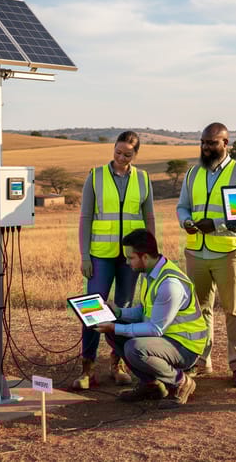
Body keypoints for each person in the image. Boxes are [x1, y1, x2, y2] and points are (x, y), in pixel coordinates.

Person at [176, 122, 236, 387]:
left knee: (234, 310)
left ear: (225, 143)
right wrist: (185, 220)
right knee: (199, 309)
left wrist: (218, 224)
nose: (206, 147)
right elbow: (183, 206)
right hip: (197, 249)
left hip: (228, 251)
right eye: (203, 142)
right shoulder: (192, 173)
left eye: (212, 143)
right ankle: (201, 361)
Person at [74, 131, 156, 390]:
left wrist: (150, 256)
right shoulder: (95, 177)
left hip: (131, 259)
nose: (121, 158)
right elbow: (85, 218)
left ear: (136, 154)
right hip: (100, 256)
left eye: (127, 154)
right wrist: (84, 255)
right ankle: (87, 368)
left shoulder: (143, 178)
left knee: (124, 308)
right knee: (92, 310)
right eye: (117, 153)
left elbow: (149, 217)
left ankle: (116, 364)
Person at [94, 229, 206, 409]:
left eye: (130, 258)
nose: (127, 262)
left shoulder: (169, 284)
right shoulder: (150, 273)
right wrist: (119, 313)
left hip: (185, 346)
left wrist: (116, 328)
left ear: (144, 257)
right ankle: (151, 385)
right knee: (116, 333)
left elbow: (155, 329)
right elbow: (144, 311)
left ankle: (181, 382)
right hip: (167, 339)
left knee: (134, 348)